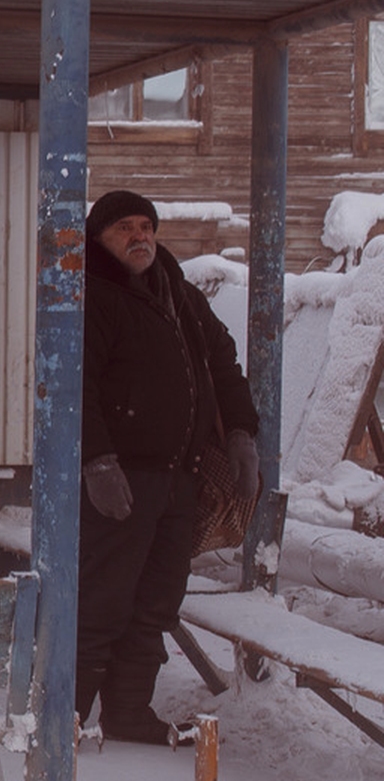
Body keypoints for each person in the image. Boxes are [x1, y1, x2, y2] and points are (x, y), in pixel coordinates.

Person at [79, 190, 261, 744]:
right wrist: (96, 459)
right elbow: (75, 383)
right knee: (102, 600)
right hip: (120, 482)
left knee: (157, 600)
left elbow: (223, 358)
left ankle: (130, 713)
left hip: (178, 481)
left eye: (145, 226)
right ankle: (64, 716)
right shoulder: (92, 296)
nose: (140, 237)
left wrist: (240, 431)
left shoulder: (176, 292)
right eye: (124, 229)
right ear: (99, 240)